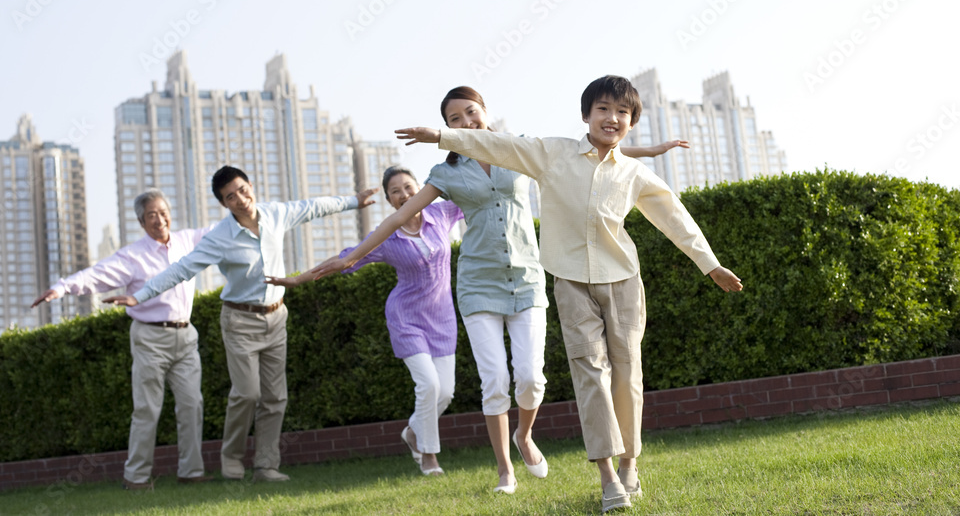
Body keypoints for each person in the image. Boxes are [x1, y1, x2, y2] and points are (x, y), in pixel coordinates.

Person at [312, 86, 687, 494]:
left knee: (530, 379)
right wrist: (352, 257)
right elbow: (401, 215)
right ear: (448, 128)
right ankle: (505, 471)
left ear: (485, 112)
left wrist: (647, 152)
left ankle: (524, 436)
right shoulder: (446, 174)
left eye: (471, 113)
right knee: (494, 382)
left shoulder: (518, 151)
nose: (466, 123)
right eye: (455, 120)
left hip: (526, 278)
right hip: (478, 285)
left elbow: (582, 157)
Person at [395, 76, 743, 513]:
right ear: (586, 115)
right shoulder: (552, 153)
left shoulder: (634, 173)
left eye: (622, 112)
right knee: (590, 374)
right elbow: (498, 147)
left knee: (627, 373)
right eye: (602, 109)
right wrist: (440, 136)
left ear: (631, 122)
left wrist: (709, 264)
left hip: (623, 283)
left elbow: (674, 217)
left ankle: (631, 462)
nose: (611, 118)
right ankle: (608, 476)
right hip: (571, 283)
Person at [105, 166, 378, 483]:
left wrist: (353, 201)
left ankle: (265, 466)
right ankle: (231, 461)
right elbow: (181, 269)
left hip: (276, 317)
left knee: (276, 397)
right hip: (239, 321)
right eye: (230, 197)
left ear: (251, 186)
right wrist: (140, 296)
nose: (240, 199)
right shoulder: (219, 237)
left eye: (242, 190)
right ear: (224, 204)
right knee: (247, 393)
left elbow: (312, 207)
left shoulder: (275, 214)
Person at [267, 166, 463, 476]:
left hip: (442, 317)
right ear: (388, 200)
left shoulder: (441, 213)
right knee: (428, 385)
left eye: (409, 187)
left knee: (445, 392)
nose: (404, 195)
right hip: (406, 318)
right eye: (395, 191)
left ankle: (413, 432)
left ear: (420, 188)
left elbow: (478, 195)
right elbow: (345, 258)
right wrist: (298, 280)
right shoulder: (386, 237)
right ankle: (429, 457)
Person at [31, 189, 214, 490]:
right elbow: (96, 275)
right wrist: (61, 288)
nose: (159, 219)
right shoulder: (133, 256)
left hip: (186, 336)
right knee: (147, 409)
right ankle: (136, 478)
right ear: (142, 222)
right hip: (150, 338)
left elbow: (221, 231)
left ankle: (191, 471)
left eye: (162, 211)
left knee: (192, 404)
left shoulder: (187, 241)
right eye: (151, 215)